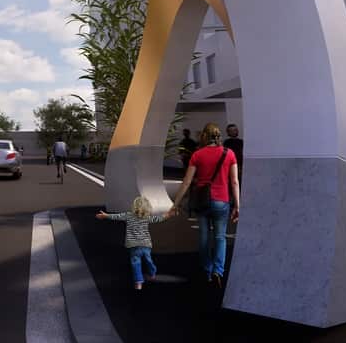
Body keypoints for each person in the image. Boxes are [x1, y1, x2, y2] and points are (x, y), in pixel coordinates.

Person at [173, 122, 240, 288]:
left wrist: (175, 203)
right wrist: (237, 205)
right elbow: (234, 182)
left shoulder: (197, 154)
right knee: (220, 237)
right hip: (222, 201)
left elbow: (187, 182)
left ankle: (208, 270)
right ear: (219, 136)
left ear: (204, 136)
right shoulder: (229, 153)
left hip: (202, 201)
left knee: (204, 237)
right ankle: (219, 270)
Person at [96, 197, 177, 290]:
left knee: (136, 263)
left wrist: (105, 215)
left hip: (133, 245)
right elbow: (159, 219)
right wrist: (169, 214)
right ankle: (152, 273)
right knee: (148, 260)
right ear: (148, 208)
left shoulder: (128, 215)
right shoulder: (147, 217)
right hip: (145, 245)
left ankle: (138, 283)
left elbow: (116, 216)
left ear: (134, 207)